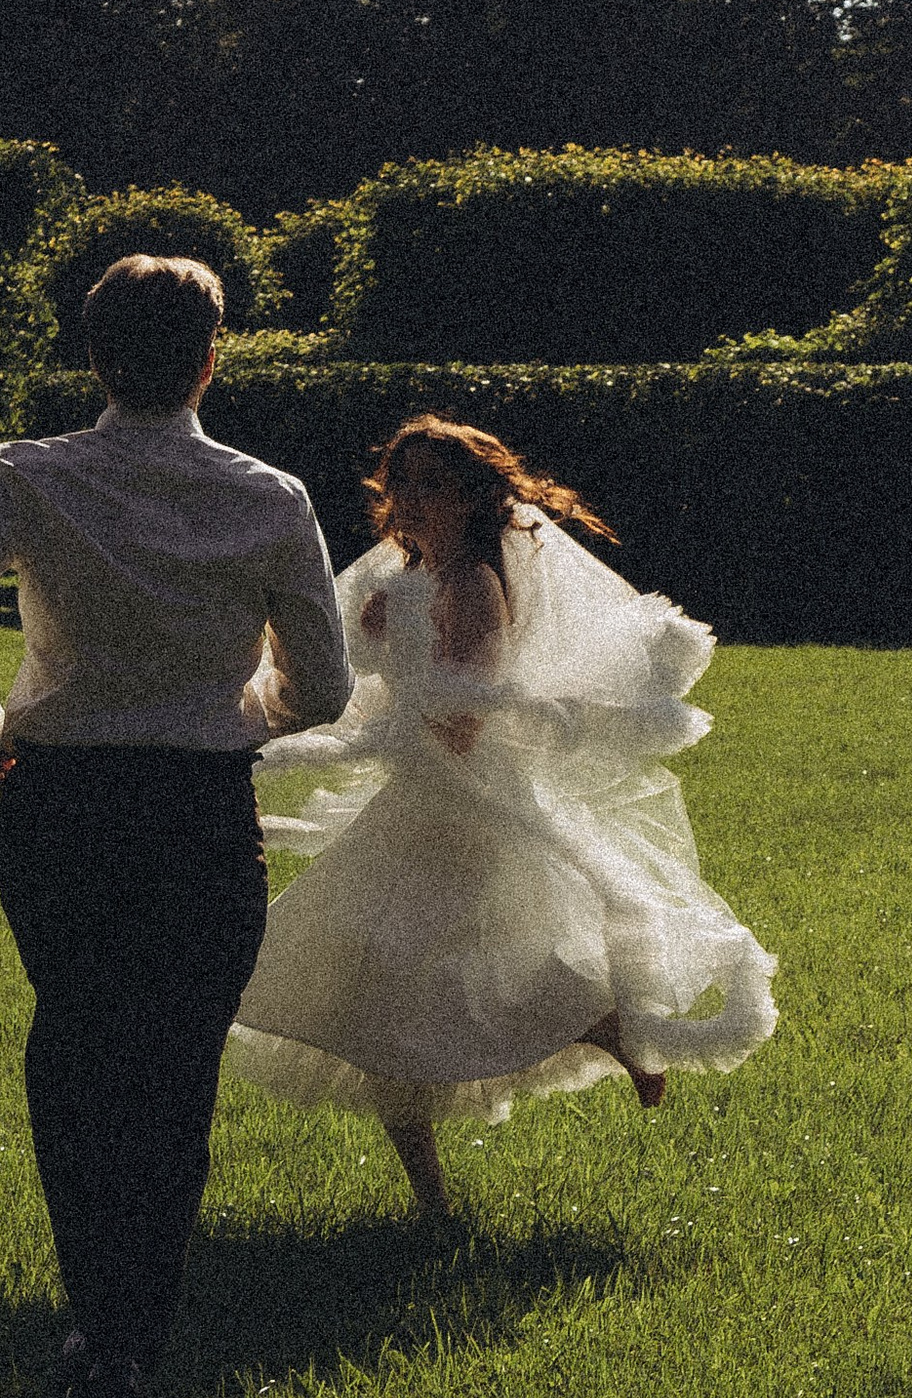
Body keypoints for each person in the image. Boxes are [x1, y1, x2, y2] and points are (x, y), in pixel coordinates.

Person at [0, 254, 351, 1398]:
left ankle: (96, 1320)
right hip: (197, 810)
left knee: (76, 1050)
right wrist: (241, 715)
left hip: (61, 801)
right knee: (172, 1071)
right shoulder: (270, 495)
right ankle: (134, 1331)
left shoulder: (30, 477)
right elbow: (327, 688)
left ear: (93, 358)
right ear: (212, 358)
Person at [227, 416, 776, 1214]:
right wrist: (372, 655)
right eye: (400, 481)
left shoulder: (476, 581)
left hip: (465, 809)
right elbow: (392, 693)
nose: (407, 499)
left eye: (429, 485)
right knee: (386, 993)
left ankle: (609, 1029)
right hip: (415, 802)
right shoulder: (411, 577)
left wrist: (396, 650)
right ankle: (441, 1192)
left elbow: (465, 716)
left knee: (412, 983)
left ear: (469, 496)